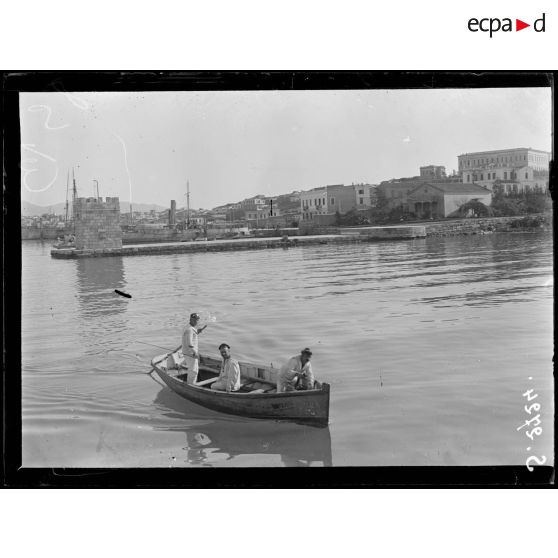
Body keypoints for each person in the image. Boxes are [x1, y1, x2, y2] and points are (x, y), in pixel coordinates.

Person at [181, 312, 207, 384]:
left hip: (187, 352)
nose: (196, 321)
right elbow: (189, 344)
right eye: (195, 320)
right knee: (193, 370)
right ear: (191, 320)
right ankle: (191, 385)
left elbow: (190, 335)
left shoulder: (188, 327)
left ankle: (191, 383)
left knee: (192, 369)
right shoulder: (190, 330)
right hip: (190, 353)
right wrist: (194, 353)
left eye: (197, 320)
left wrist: (197, 331)